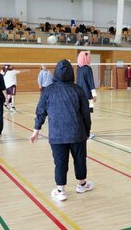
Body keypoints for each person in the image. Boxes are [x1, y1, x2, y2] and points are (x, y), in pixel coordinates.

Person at [29, 59, 94, 201]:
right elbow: (86, 114)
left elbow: (40, 111)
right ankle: (82, 185)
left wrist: (36, 130)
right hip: (77, 134)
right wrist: (86, 132)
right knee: (80, 160)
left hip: (57, 136)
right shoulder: (78, 89)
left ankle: (61, 191)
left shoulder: (48, 90)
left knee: (60, 162)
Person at [76, 51, 97, 138]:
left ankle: (81, 131)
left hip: (79, 95)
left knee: (81, 114)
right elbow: (91, 82)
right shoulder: (88, 69)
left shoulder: (79, 69)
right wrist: (94, 94)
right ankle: (87, 133)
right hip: (87, 96)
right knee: (87, 115)